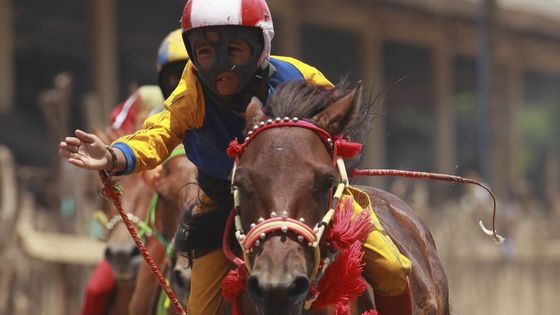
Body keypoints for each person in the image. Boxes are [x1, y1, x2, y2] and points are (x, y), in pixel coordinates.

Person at [60, 1, 412, 314]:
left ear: (260, 47)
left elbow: (335, 132)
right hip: (224, 204)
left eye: (234, 49)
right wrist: (113, 155)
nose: (220, 66)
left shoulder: (303, 78)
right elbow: (159, 132)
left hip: (308, 199)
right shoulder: (192, 92)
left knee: (394, 270)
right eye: (206, 53)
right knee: (199, 309)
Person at [79, 29, 189, 315]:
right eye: (173, 76)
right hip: (157, 222)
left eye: (187, 74)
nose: (181, 83)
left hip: (202, 215)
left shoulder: (223, 113)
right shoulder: (154, 112)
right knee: (97, 290)